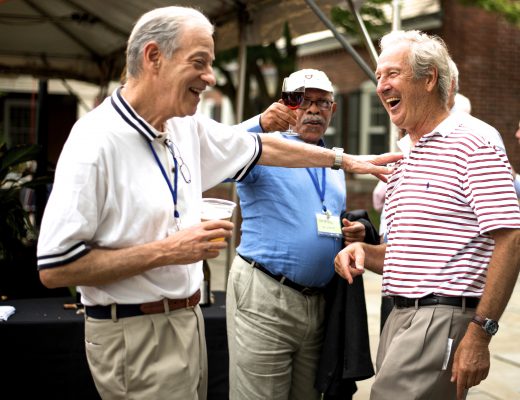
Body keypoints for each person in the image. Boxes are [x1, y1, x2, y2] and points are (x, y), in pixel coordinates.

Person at [36, 7, 398, 400]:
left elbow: (263, 148)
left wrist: (346, 161)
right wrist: (168, 251)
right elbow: (57, 267)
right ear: (153, 57)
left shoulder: (183, 127)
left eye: (210, 63)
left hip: (187, 319)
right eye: (200, 62)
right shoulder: (95, 140)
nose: (210, 77)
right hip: (134, 329)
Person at [334, 30, 520, 400]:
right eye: (378, 77)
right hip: (399, 316)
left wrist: (480, 333)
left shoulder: (474, 142)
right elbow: (413, 256)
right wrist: (364, 253)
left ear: (429, 78)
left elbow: (512, 238)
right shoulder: (404, 156)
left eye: (391, 74)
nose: (380, 86)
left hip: (440, 319)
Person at [226, 69, 370, 400]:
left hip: (317, 302)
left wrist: (353, 231)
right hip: (266, 294)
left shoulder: (334, 164)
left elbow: (325, 220)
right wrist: (260, 122)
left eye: (323, 102)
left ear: (333, 111)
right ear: (287, 106)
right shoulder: (263, 148)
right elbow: (219, 150)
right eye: (303, 101)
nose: (314, 110)